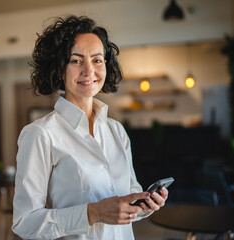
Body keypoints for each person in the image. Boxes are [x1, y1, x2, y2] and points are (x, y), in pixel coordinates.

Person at [12, 15, 169, 240]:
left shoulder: (117, 131)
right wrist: (92, 213)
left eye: (97, 60)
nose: (89, 70)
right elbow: (24, 223)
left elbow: (127, 200)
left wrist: (144, 205)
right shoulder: (40, 134)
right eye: (76, 60)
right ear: (59, 69)